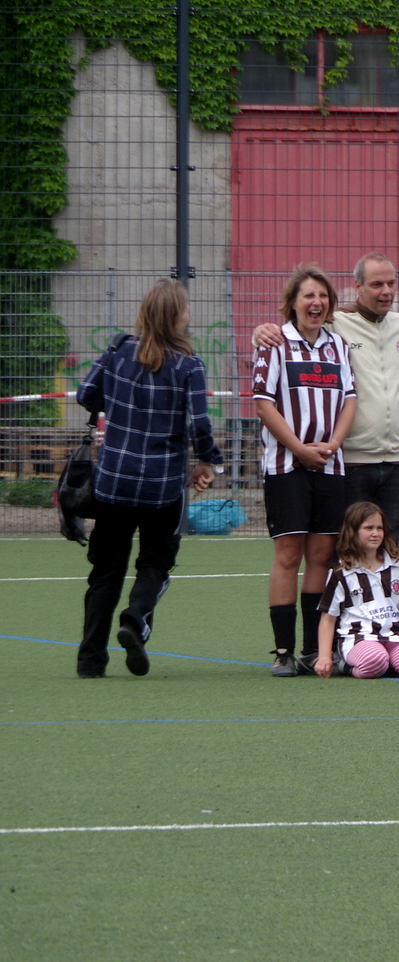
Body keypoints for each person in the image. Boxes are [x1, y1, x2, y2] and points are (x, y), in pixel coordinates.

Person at [74, 278, 223, 678]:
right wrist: (212, 463)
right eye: (186, 310)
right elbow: (200, 426)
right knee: (156, 564)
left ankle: (91, 659)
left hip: (114, 481)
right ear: (175, 318)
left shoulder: (118, 350)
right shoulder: (189, 365)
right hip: (163, 486)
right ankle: (135, 618)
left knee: (105, 571)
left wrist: (123, 411)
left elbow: (86, 395)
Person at [254, 253, 399, 535]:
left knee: (388, 547)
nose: (386, 291)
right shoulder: (335, 323)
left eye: (391, 283)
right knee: (345, 550)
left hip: (396, 461)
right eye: (377, 284)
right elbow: (296, 329)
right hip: (352, 459)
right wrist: (261, 331)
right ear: (359, 287)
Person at [254, 265, 357, 677]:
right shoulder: (275, 344)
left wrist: (332, 445)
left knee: (321, 554)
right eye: (308, 296)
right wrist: (299, 449)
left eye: (323, 296)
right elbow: (264, 404)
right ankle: (283, 650)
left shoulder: (338, 346)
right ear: (293, 303)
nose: (316, 303)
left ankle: (315, 649)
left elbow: (350, 399)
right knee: (288, 554)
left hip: (330, 465)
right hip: (286, 466)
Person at [315, 502, 399, 680]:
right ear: (352, 532)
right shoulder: (341, 572)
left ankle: (390, 661)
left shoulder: (398, 566)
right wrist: (324, 657)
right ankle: (345, 664)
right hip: (358, 637)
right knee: (374, 660)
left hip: (395, 636)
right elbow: (328, 617)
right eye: (368, 528)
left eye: (379, 528)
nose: (375, 533)